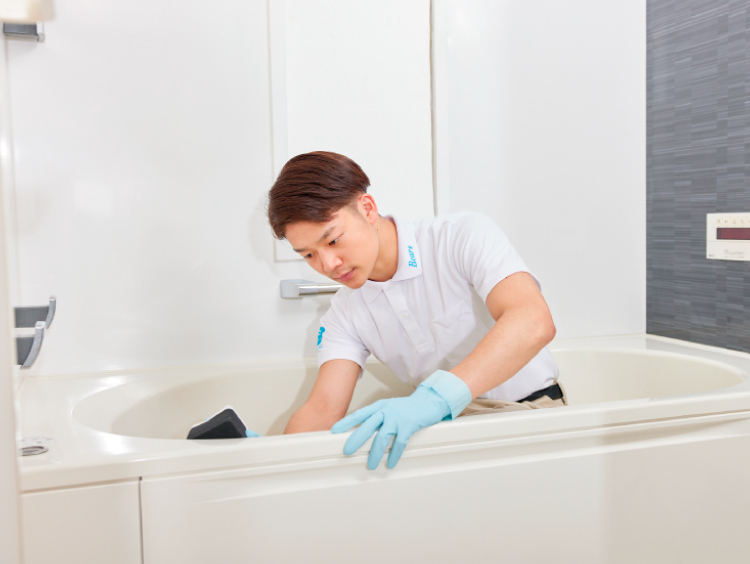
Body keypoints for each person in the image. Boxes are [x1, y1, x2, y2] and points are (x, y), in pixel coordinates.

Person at [266, 151, 563, 470]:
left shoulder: (459, 236)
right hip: (443, 429)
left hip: (527, 414)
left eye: (334, 241)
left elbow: (532, 320)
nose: (328, 265)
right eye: (309, 255)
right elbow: (323, 409)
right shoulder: (344, 312)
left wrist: (436, 398)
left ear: (367, 208)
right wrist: (275, 459)